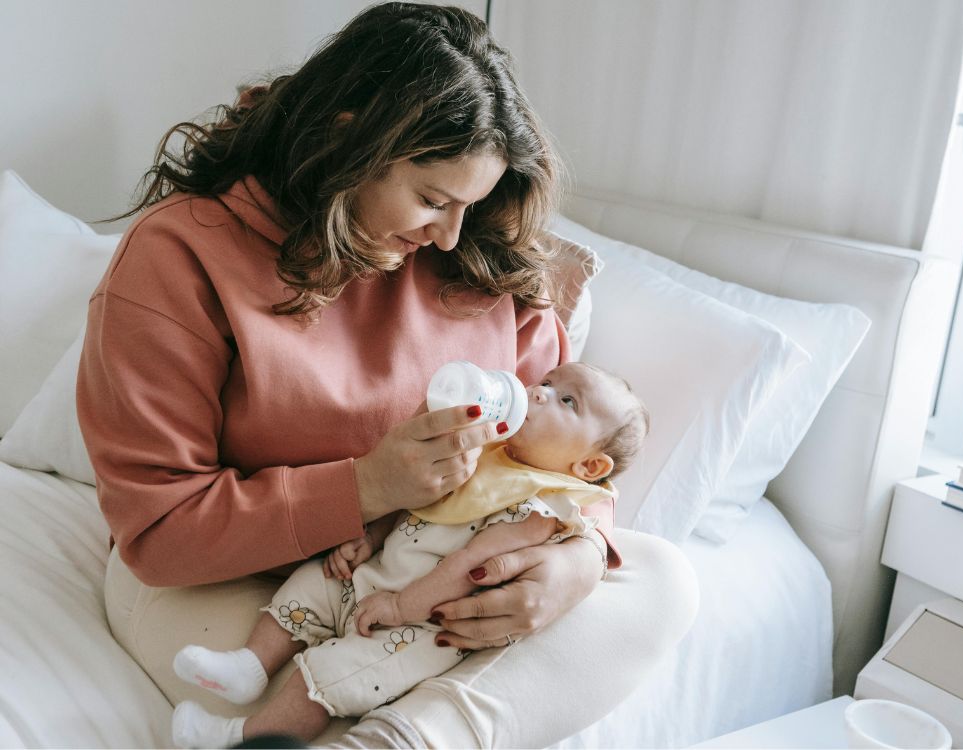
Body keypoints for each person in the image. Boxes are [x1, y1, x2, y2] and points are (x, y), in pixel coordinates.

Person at [77, 3, 699, 747]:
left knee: (661, 579)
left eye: (468, 205)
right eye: (434, 199)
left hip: (419, 568)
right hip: (221, 577)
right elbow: (161, 531)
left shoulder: (477, 255)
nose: (449, 234)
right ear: (348, 136)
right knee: (319, 683)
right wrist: (367, 487)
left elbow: (566, 467)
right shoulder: (180, 256)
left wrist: (581, 557)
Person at [170, 362, 648, 748]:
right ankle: (249, 667)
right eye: (546, 382)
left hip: (418, 625)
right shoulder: (485, 448)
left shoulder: (540, 506)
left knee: (326, 678)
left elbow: (468, 566)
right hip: (375, 576)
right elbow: (416, 498)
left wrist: (401, 607)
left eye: (567, 401)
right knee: (312, 585)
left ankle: (240, 738)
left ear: (587, 466)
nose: (539, 392)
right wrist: (370, 537)